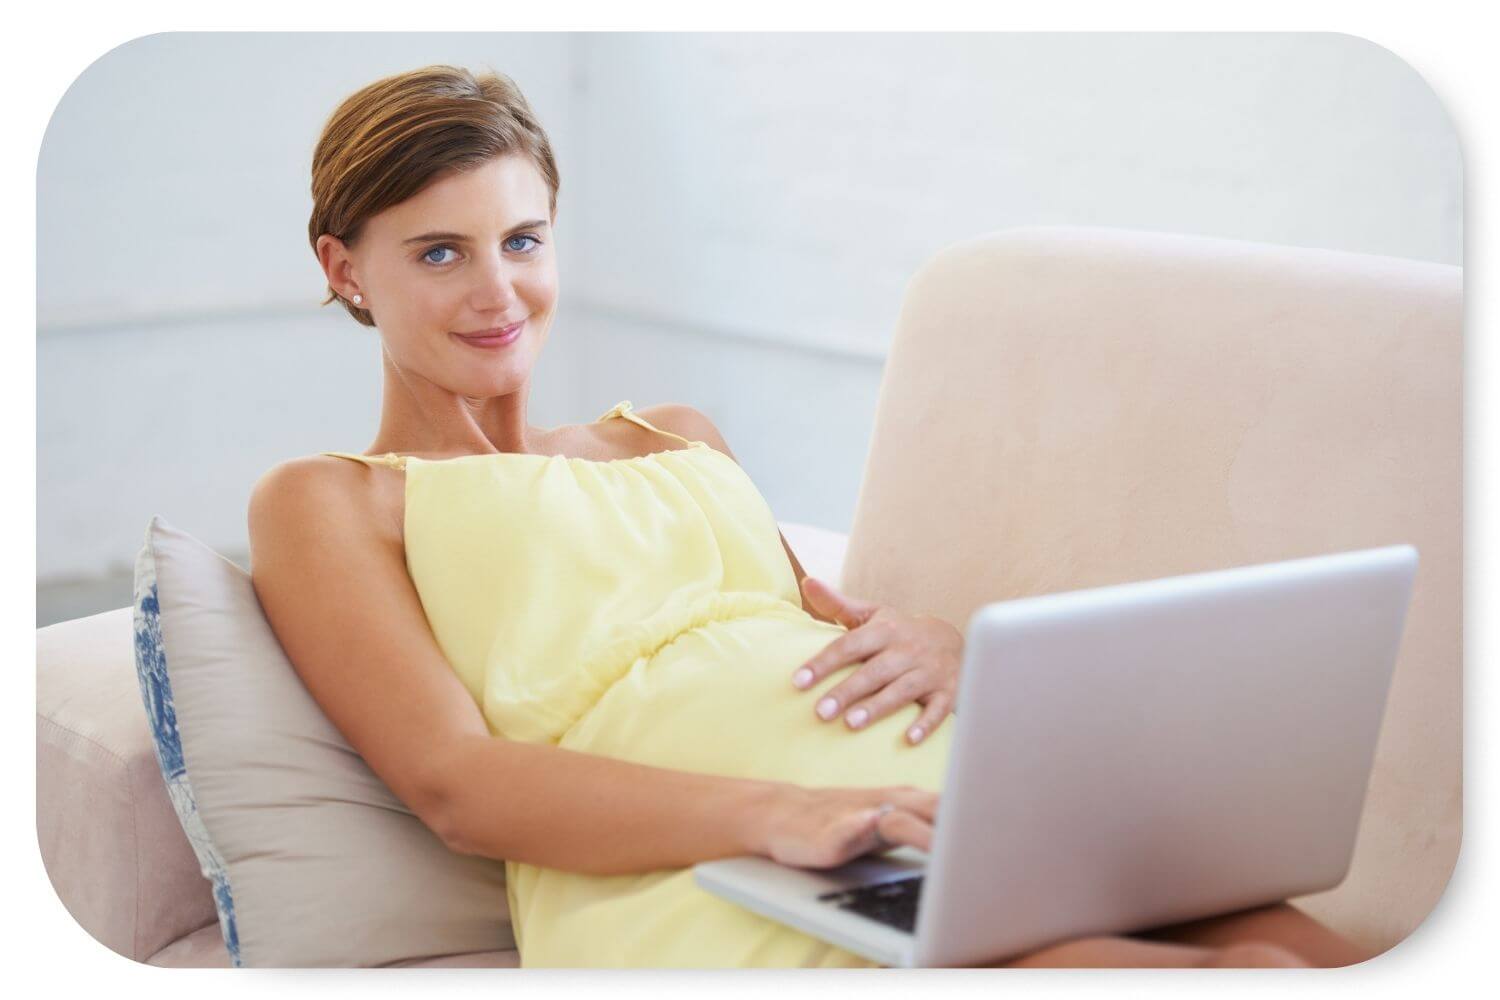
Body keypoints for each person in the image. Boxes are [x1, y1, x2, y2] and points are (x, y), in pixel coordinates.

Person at [247, 63, 1372, 969]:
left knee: (1284, 947)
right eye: (441, 252)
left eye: (523, 240)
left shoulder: (673, 434)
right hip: (732, 859)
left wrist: (942, 643)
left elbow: (801, 631)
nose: (499, 292)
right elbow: (454, 785)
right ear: (345, 269)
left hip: (937, 804)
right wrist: (781, 815)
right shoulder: (331, 498)